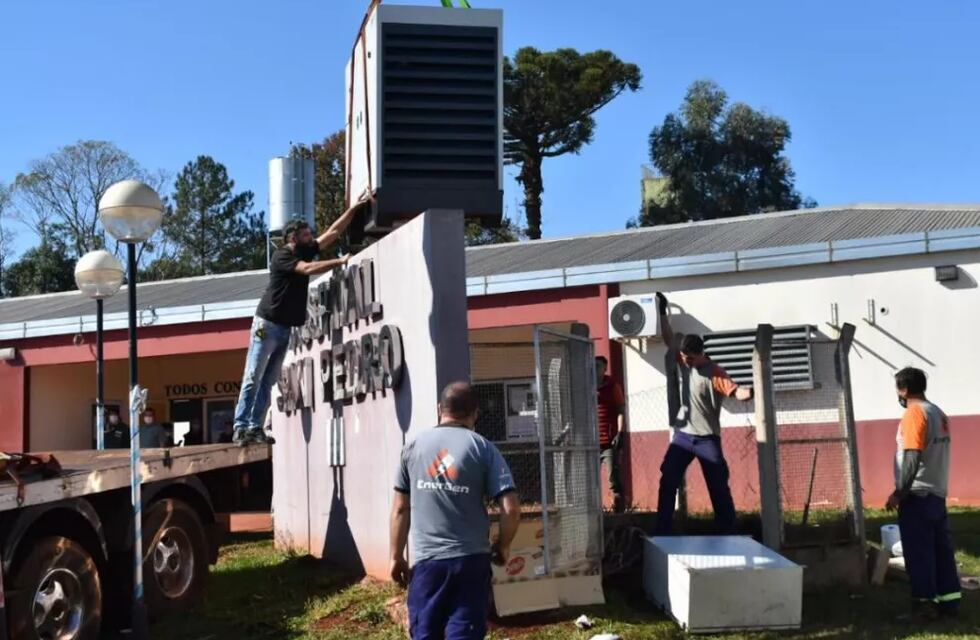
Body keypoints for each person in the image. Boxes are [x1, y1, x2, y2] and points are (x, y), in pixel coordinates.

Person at [390, 382, 521, 640]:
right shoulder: (483, 448)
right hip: (471, 564)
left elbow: (400, 508)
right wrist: (503, 545)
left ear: (440, 409)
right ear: (475, 413)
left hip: (428, 565)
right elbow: (511, 508)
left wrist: (396, 556)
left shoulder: (413, 447)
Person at [233, 199, 365, 446]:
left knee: (268, 381)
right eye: (306, 235)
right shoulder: (283, 255)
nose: (311, 238)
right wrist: (338, 262)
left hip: (284, 328)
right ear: (293, 238)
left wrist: (354, 208)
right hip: (266, 326)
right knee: (253, 375)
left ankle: (255, 427)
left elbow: (333, 232)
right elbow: (306, 269)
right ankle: (240, 427)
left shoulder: (303, 249)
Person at [655, 292, 753, 535]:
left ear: (700, 354)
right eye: (683, 357)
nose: (685, 361)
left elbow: (735, 391)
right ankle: (662, 530)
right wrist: (662, 311)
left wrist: (751, 391)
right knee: (668, 479)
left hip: (707, 439)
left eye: (689, 358)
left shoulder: (715, 372)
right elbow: (669, 339)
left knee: (718, 486)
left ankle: (728, 531)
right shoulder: (683, 361)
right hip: (683, 437)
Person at [886, 367, 960, 619]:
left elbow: (912, 455)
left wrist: (900, 492)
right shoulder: (938, 413)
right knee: (941, 551)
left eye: (898, 389)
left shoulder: (914, 413)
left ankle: (924, 605)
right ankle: (950, 601)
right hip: (937, 493)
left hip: (917, 494)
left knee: (919, 553)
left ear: (904, 390)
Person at [595, 355, 627, 513]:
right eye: (593, 366)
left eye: (598, 366)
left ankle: (619, 509)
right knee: (590, 479)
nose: (595, 369)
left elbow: (621, 410)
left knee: (613, 477)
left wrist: (620, 433)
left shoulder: (613, 386)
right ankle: (594, 511)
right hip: (591, 442)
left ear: (604, 369)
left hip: (608, 441)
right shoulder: (585, 386)